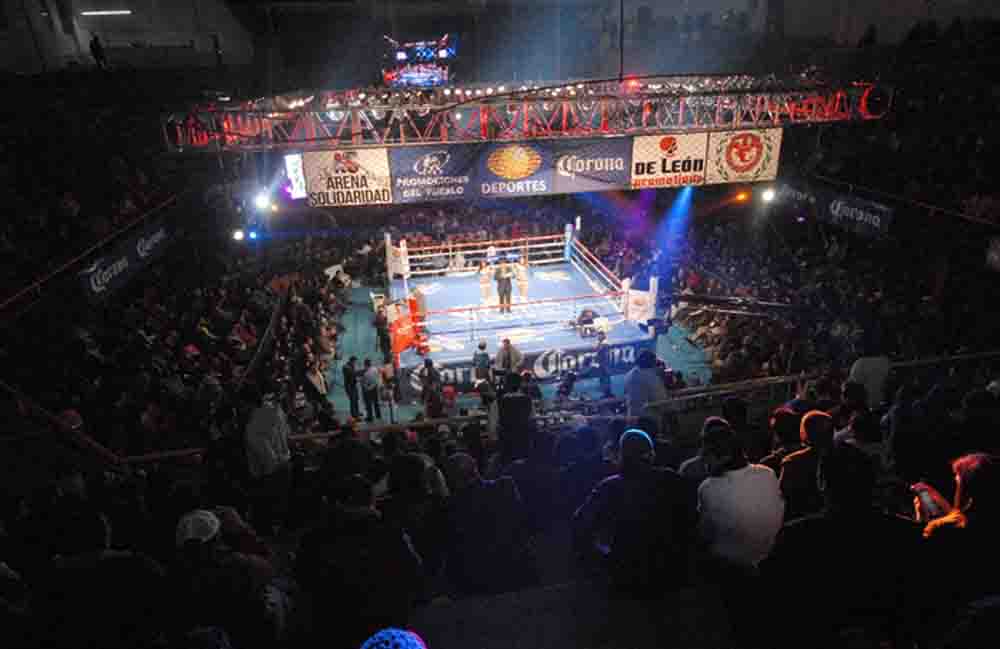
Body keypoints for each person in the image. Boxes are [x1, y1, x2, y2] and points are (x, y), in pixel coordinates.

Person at [573, 429, 696, 596]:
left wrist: (602, 555)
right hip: (671, 572)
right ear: (651, 455)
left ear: (621, 456)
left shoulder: (608, 487)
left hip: (626, 576)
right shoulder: (672, 479)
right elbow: (693, 518)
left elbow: (581, 521)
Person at [697, 418, 784, 648]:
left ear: (718, 457)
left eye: (707, 454)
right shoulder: (767, 473)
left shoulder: (708, 488)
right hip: (773, 562)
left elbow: (705, 536)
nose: (704, 459)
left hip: (735, 574)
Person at [245, 385, 292, 531]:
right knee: (281, 509)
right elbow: (287, 432)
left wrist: (265, 477)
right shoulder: (277, 412)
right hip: (285, 464)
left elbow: (266, 455)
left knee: (268, 514)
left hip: (270, 473)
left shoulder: (253, 424)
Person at [624, 349, 668, 423]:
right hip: (648, 418)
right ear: (651, 362)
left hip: (631, 417)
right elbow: (661, 400)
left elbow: (626, 393)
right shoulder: (651, 377)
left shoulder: (628, 375)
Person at [361, 358, 382, 422]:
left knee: (368, 404)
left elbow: (364, 383)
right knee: (376, 403)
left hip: (368, 389)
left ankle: (370, 417)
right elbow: (378, 377)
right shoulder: (375, 369)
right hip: (375, 387)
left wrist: (364, 385)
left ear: (365, 365)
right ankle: (378, 415)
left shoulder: (366, 373)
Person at [593, 331, 612, 398]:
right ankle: (604, 389)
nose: (598, 337)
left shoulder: (605, 344)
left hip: (604, 363)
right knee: (602, 376)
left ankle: (607, 391)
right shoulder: (600, 343)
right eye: (598, 336)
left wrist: (604, 363)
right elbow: (597, 350)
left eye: (599, 336)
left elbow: (603, 353)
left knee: (606, 377)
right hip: (601, 363)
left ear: (603, 336)